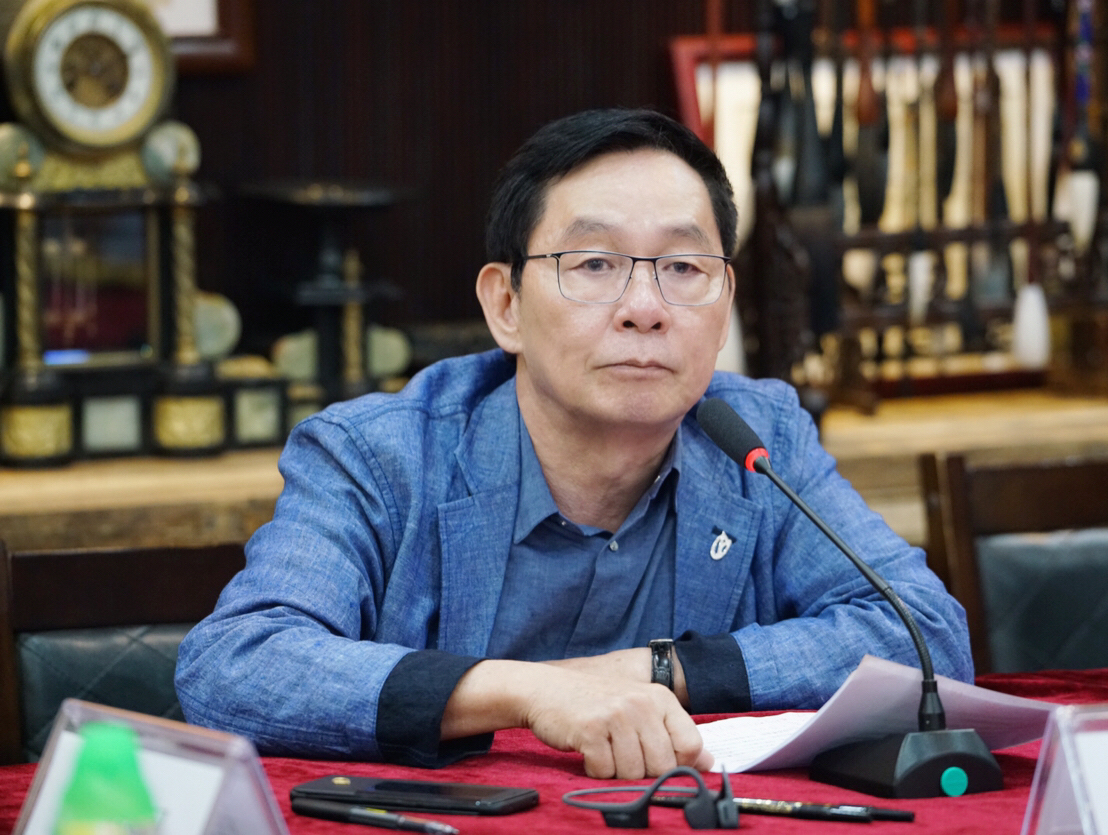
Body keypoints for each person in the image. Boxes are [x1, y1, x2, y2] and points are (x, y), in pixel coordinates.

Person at [176, 108, 973, 781]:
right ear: (506, 305)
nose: (645, 307)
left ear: (724, 300)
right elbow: (236, 665)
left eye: (683, 266)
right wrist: (527, 692)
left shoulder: (759, 440)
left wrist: (656, 670)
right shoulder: (380, 457)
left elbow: (926, 637)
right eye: (594, 263)